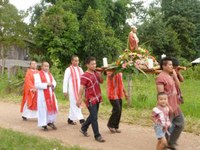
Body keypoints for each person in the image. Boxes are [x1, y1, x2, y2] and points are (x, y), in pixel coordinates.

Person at [156, 57, 184, 149]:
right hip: (167, 108)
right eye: (170, 65)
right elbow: (161, 95)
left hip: (175, 105)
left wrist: (175, 76)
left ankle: (171, 143)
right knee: (166, 129)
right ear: (164, 66)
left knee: (180, 124)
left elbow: (178, 86)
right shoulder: (160, 78)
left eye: (172, 65)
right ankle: (164, 145)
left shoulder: (170, 75)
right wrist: (167, 107)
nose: (172, 66)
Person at [77, 56, 105, 142]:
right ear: (87, 65)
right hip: (90, 99)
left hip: (97, 97)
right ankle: (97, 135)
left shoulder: (96, 73)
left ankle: (83, 128)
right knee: (94, 117)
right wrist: (79, 99)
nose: (94, 65)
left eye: (95, 63)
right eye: (92, 64)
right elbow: (81, 88)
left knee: (93, 115)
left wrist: (101, 74)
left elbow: (101, 81)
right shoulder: (84, 76)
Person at [34, 62, 58, 131]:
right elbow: (37, 85)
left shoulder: (50, 74)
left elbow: (54, 82)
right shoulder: (38, 75)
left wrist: (53, 84)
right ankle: (44, 124)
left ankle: (50, 122)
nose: (47, 67)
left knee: (53, 107)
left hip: (51, 94)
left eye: (48, 66)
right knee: (43, 109)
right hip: (43, 95)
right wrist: (46, 84)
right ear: (42, 67)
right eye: (45, 66)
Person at [63, 55, 85, 125]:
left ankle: (70, 119)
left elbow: (84, 78)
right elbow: (65, 80)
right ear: (72, 61)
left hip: (79, 90)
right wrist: (65, 90)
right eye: (75, 61)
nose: (77, 62)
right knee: (75, 104)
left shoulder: (80, 69)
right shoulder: (68, 69)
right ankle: (81, 119)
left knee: (75, 104)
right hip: (72, 90)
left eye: (78, 61)